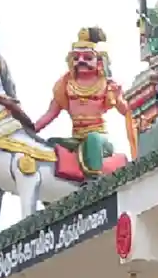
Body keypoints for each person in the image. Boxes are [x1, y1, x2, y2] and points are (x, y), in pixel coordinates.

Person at [32, 27, 133, 172]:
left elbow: (126, 111)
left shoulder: (106, 84)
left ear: (99, 61)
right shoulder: (65, 85)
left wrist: (117, 97)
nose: (81, 61)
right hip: (76, 138)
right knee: (50, 145)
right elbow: (50, 114)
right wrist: (30, 129)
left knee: (92, 140)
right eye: (76, 58)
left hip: (99, 138)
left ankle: (95, 182)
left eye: (87, 58)